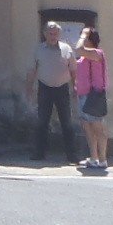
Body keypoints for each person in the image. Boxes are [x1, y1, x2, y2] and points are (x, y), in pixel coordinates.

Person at [31, 20, 77, 163]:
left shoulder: (67, 49)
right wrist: (29, 88)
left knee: (67, 123)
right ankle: (39, 153)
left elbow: (73, 70)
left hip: (62, 88)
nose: (53, 36)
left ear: (59, 34)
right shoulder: (39, 49)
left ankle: (72, 156)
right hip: (44, 87)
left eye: (55, 33)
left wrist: (75, 87)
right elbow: (33, 70)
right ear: (45, 34)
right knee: (42, 122)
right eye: (50, 33)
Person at [73, 27, 110, 173]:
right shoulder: (84, 57)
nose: (83, 39)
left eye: (86, 38)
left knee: (97, 128)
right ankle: (93, 158)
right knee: (87, 128)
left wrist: (83, 34)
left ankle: (102, 159)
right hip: (83, 95)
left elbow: (78, 49)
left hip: (93, 96)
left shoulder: (96, 53)